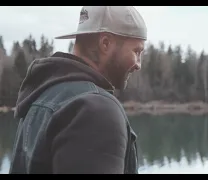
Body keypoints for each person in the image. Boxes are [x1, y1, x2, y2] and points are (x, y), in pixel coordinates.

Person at [9, 6, 147, 174]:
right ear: (105, 43)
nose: (138, 65)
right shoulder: (96, 110)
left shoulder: (41, 95)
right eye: (137, 51)